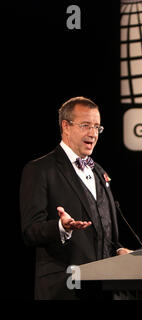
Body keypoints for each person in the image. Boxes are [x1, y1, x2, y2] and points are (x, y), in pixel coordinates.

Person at [20, 96, 132, 299]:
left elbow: (104, 233)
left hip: (105, 290)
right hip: (64, 289)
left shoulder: (99, 172)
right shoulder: (39, 169)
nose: (93, 133)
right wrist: (61, 227)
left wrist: (118, 251)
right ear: (66, 126)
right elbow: (30, 231)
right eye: (86, 125)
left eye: (97, 127)